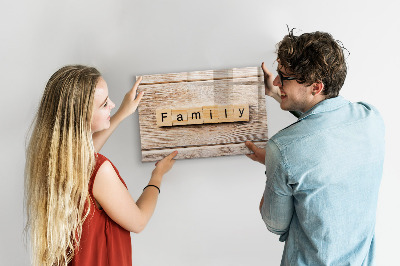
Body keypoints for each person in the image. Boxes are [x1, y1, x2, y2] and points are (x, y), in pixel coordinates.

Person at [245, 30, 385, 265]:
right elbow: (325, 124)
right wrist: (278, 94)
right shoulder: (371, 118)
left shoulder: (282, 149)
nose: (277, 81)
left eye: (284, 77)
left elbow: (274, 224)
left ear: (316, 87)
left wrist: (273, 163)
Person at [24, 65, 177, 266]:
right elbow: (138, 221)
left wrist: (122, 113)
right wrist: (157, 176)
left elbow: (86, 156)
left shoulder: (53, 160)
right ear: (81, 117)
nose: (112, 104)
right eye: (105, 104)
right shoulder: (99, 171)